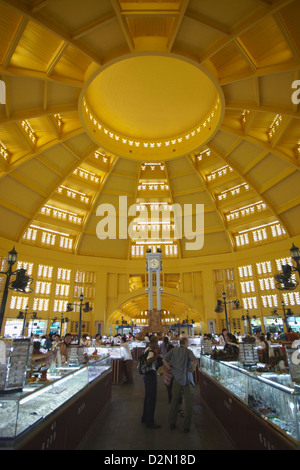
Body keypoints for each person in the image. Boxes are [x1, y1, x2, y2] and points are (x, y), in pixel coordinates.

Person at [163, 337, 197, 433]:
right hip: (187, 379)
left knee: (174, 401)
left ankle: (172, 423)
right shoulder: (188, 351)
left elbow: (164, 359)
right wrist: (193, 368)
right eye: (188, 342)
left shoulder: (173, 350)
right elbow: (195, 360)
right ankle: (186, 426)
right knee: (189, 403)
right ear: (185, 343)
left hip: (176, 379)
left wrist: (169, 367)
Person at [141, 337, 162, 429]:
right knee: (151, 398)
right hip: (150, 376)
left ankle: (145, 417)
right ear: (153, 343)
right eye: (156, 344)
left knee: (148, 397)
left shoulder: (147, 349)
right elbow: (148, 360)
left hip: (146, 375)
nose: (157, 346)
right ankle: (150, 421)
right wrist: (156, 356)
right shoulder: (150, 351)